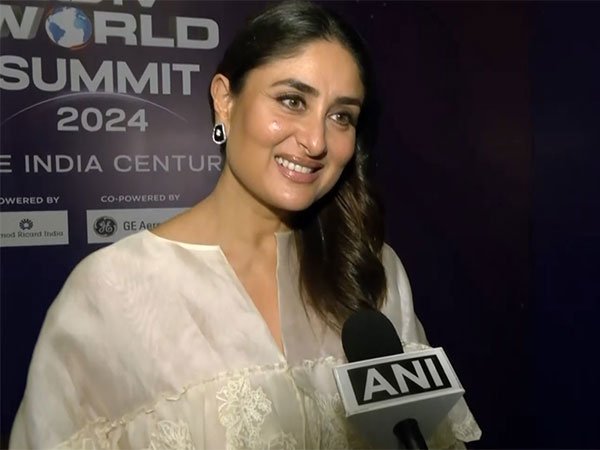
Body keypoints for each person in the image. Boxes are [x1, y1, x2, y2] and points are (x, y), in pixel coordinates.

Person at [10, 1, 481, 448]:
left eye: (341, 116)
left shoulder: (372, 268)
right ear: (225, 100)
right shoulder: (110, 291)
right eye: (292, 100)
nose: (316, 140)